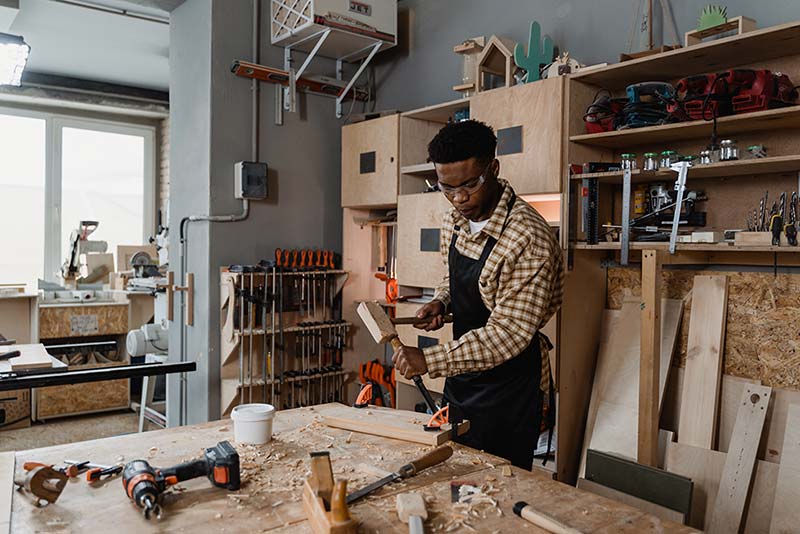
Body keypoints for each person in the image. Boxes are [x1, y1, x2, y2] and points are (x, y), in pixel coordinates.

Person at [391, 119, 564, 470]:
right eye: (447, 188)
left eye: (469, 185)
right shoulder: (455, 219)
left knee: (498, 486)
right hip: (465, 376)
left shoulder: (528, 239)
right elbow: (453, 276)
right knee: (459, 474)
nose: (459, 199)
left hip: (510, 387)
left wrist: (431, 360)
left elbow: (509, 334)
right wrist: (444, 299)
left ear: (493, 168)